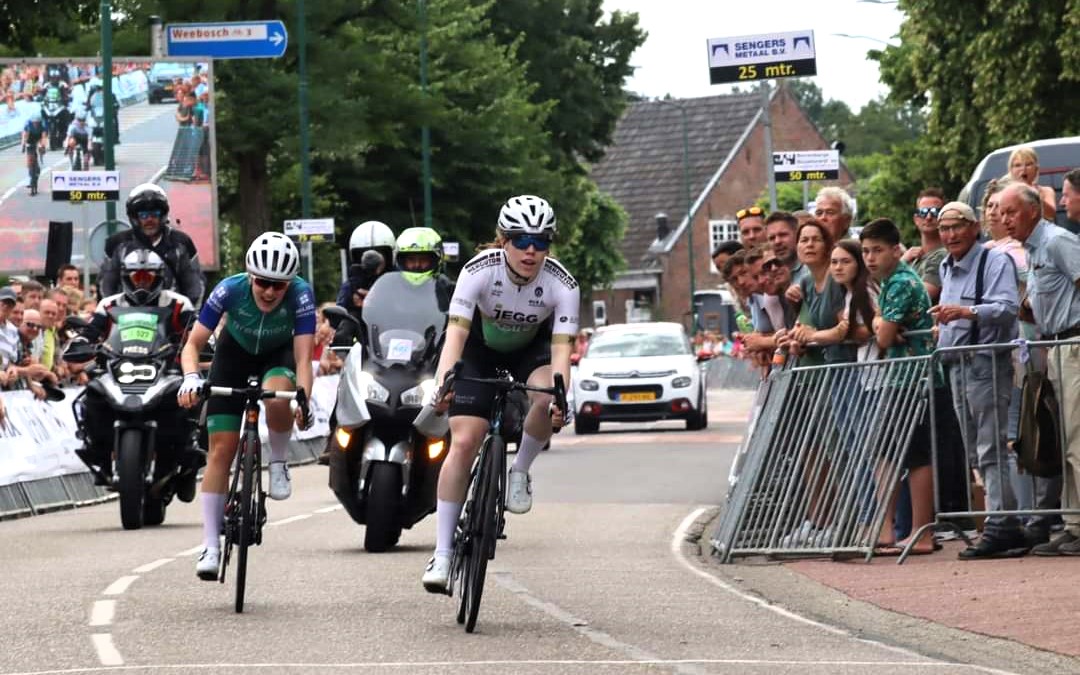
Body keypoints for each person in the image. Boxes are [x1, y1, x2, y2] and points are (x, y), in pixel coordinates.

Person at [420, 195, 579, 593]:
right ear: (503, 240)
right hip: (478, 348)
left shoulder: (562, 284)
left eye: (541, 242)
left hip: (531, 349)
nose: (531, 250)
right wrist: (443, 387)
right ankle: (441, 554)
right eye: (521, 240)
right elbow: (455, 337)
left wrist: (561, 399)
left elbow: (561, 354)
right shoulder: (478, 272)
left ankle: (520, 470)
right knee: (465, 440)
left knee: (544, 397)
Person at [178, 232, 316, 580]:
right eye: (263, 283)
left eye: (279, 286)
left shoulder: (301, 294)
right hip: (233, 355)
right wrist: (192, 378)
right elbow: (192, 345)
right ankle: (210, 545)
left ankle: (280, 461)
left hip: (277, 354)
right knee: (220, 452)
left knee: (278, 391)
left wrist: (304, 397)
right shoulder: (229, 289)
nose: (270, 292)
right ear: (250, 276)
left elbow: (303, 358)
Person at [931, 201, 1025, 558]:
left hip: (987, 363)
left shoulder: (994, 260)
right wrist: (942, 326)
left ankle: (1002, 524)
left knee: (992, 446)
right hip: (956, 365)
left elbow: (1007, 308)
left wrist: (965, 312)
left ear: (974, 227)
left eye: (956, 226)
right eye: (944, 228)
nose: (950, 234)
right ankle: (1004, 524)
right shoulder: (945, 265)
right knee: (976, 449)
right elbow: (954, 315)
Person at [67, 249, 197, 489]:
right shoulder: (108, 304)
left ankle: (188, 450)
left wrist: (201, 346)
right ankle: (98, 449)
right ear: (126, 277)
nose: (143, 282)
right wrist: (82, 343)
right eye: (138, 277)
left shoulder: (179, 303)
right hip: (119, 368)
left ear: (159, 277)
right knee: (93, 396)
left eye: (148, 277)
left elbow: (198, 333)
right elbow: (90, 332)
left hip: (165, 369)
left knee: (192, 396)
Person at [1001, 183, 1080, 555]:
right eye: (1001, 213)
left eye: (1011, 211)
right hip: (1054, 346)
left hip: (1074, 344)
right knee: (1063, 439)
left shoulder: (1056, 240)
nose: (1004, 219)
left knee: (1077, 440)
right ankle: (1072, 523)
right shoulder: (1032, 250)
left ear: (1033, 210)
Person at [861, 218, 937, 556]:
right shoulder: (890, 282)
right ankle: (887, 528)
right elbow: (880, 323)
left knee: (917, 454)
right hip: (899, 377)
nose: (870, 258)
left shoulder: (902, 282)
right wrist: (880, 323)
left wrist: (881, 326)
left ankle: (922, 532)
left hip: (915, 378)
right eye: (865, 251)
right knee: (884, 450)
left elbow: (883, 338)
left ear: (896, 250)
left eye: (877, 250)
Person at [100, 183, 204, 306]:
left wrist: (188, 319)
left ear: (163, 215)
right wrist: (110, 317)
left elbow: (194, 287)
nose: (149, 219)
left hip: (171, 318)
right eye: (143, 215)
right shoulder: (117, 244)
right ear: (134, 218)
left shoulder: (181, 243)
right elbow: (106, 287)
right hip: (125, 318)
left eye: (155, 214)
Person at [336, 220, 396, 318]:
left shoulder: (398, 283)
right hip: (360, 331)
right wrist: (352, 305)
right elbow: (337, 319)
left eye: (379, 254)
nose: (372, 261)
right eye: (365, 255)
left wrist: (379, 302)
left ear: (389, 256)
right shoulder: (351, 285)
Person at [901, 187, 948, 303]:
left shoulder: (944, 255)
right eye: (923, 212)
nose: (928, 217)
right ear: (916, 219)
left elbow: (918, 298)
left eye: (934, 212)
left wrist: (900, 264)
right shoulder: (913, 257)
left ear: (944, 217)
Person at [1006, 146, 1057, 222]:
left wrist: (1032, 193)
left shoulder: (1045, 191)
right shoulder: (1004, 193)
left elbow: (1051, 214)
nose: (1023, 169)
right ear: (1011, 170)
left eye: (1028, 164)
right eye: (1017, 165)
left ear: (1036, 169)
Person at [20, 111, 47, 195]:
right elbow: (25, 136)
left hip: (38, 140)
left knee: (40, 149)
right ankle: (29, 178)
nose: (35, 124)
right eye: (34, 122)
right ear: (32, 122)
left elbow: (44, 137)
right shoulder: (28, 125)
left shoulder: (43, 126)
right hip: (30, 141)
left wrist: (43, 146)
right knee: (30, 159)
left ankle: (39, 166)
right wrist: (23, 145)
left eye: (37, 123)